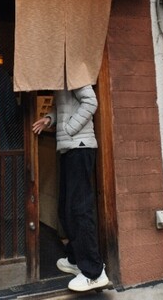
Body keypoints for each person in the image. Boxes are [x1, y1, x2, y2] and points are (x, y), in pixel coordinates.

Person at [32, 84, 110, 292]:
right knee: (66, 208)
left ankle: (94, 272)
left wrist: (68, 129)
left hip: (80, 147)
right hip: (70, 147)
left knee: (79, 209)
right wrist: (50, 119)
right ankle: (76, 259)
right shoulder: (62, 75)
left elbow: (90, 102)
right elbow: (65, 107)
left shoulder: (75, 72)